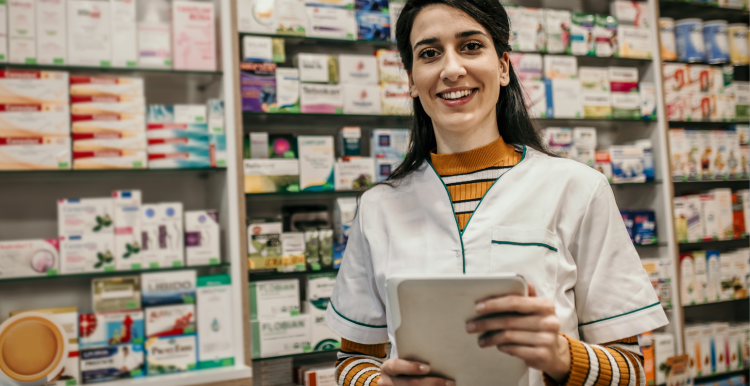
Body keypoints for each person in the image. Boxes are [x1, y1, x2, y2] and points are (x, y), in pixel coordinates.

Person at [324, 0, 669, 385]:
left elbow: (632, 369)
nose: (452, 69)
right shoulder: (378, 207)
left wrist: (560, 356)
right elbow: (354, 357)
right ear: (411, 79)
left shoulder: (577, 188)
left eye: (471, 46)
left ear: (503, 66)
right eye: (430, 53)